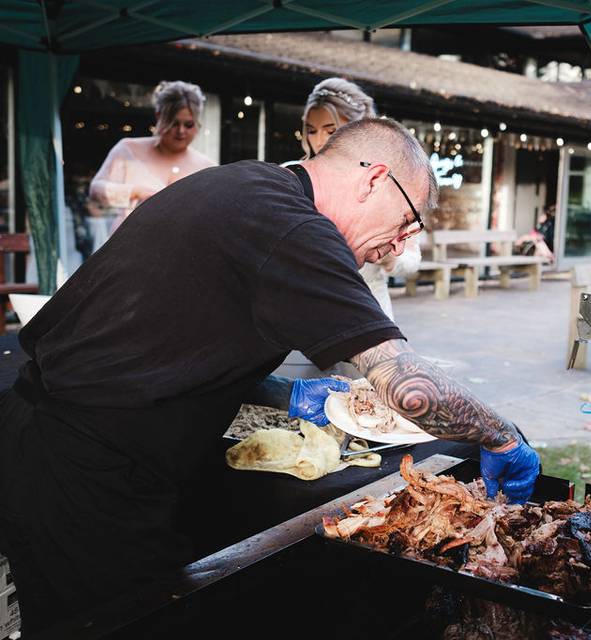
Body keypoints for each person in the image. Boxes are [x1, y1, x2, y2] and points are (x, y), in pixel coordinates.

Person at [0, 117, 539, 634]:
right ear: (375, 179)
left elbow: (178, 334)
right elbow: (406, 384)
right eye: (406, 222)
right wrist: (502, 436)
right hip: (84, 466)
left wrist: (281, 389)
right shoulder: (294, 228)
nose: (400, 245)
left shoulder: (249, 184)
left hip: (42, 436)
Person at [294, 77, 419, 319]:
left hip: (367, 304)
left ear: (356, 129)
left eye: (330, 130)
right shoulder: (293, 176)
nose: (319, 140)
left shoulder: (386, 182)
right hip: (306, 306)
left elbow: (411, 260)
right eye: (311, 130)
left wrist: (387, 254)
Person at [89, 80, 216, 235]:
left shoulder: (207, 167)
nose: (181, 131)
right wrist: (136, 192)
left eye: (188, 125)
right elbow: (96, 190)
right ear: (159, 116)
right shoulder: (128, 150)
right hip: (129, 248)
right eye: (174, 123)